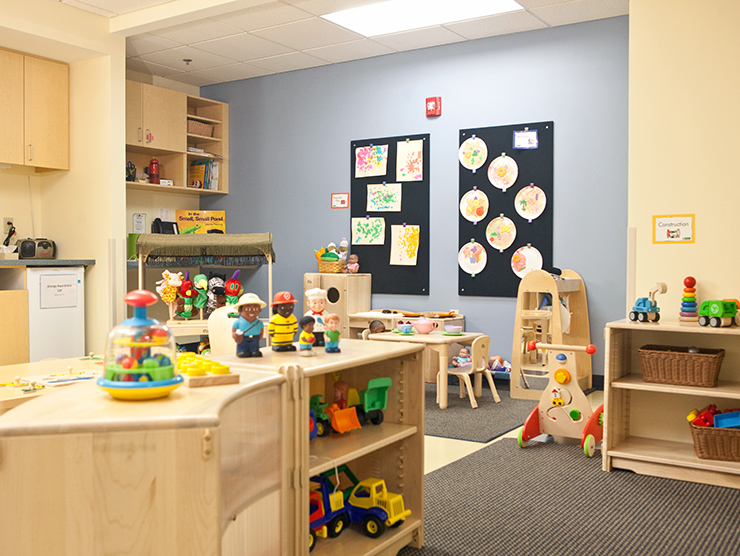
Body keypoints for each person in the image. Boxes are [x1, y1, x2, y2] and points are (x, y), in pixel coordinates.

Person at [231, 293, 266, 358]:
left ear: (259, 310)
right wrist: (235, 335)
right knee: (243, 347)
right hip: (243, 338)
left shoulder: (259, 322)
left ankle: (254, 350)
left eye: (255, 309)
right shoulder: (238, 322)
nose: (252, 312)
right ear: (239, 310)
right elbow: (233, 331)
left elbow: (261, 330)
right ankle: (242, 351)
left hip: (255, 337)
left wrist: (260, 337)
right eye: (247, 309)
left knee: (255, 347)